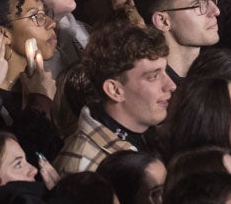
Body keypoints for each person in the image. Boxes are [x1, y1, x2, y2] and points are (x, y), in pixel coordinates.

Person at [56, 21, 172, 174]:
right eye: (153, 76)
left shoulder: (159, 136)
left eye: (165, 71)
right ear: (115, 90)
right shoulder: (84, 167)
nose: (170, 85)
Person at [132, 0, 220, 80]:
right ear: (162, 21)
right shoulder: (158, 94)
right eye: (198, 4)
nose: (215, 11)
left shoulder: (221, 73)